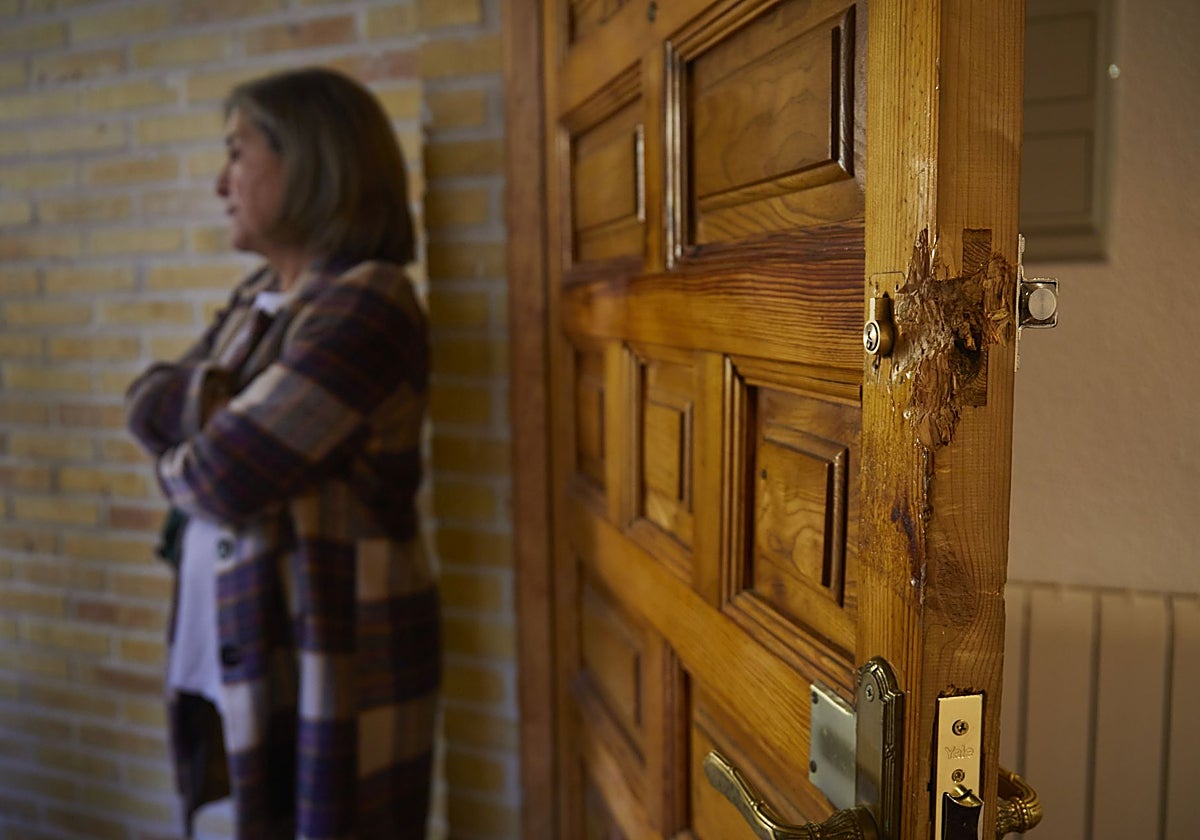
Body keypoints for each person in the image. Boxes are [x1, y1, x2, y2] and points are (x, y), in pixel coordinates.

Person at [125, 68, 439, 839]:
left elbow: (216, 478)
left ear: (309, 160)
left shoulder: (370, 302)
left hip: (330, 664)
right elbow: (141, 398)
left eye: (238, 153)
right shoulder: (259, 295)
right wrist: (224, 407)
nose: (219, 182)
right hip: (235, 657)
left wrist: (182, 454)